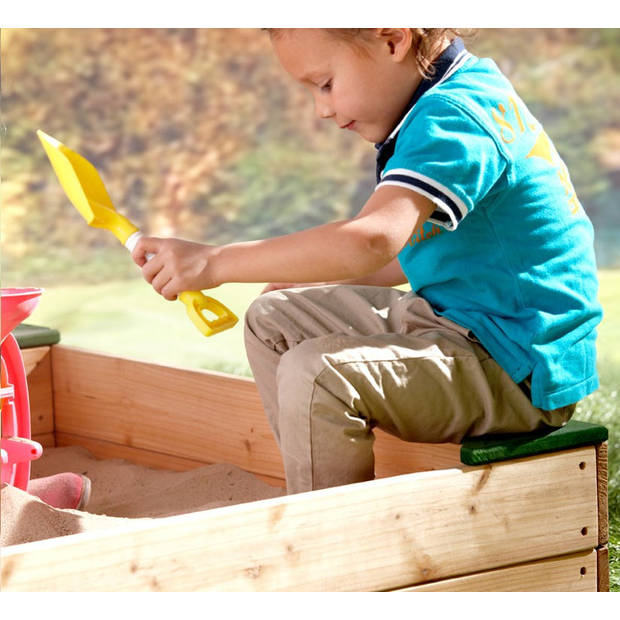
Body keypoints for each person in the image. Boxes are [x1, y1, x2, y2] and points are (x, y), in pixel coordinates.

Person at [132, 29, 603, 494]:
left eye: (326, 83)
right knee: (272, 318)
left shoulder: (455, 116)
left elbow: (374, 240)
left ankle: (326, 541)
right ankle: (312, 489)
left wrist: (214, 263)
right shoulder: (439, 102)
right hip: (458, 324)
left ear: (393, 40)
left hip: (515, 364)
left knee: (317, 374)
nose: (322, 108)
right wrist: (298, 281)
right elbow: (409, 254)